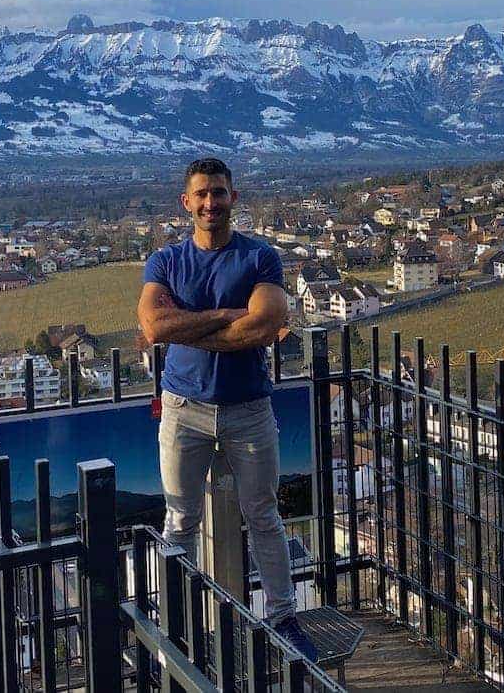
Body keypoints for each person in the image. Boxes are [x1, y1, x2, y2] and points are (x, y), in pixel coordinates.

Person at [137, 156, 318, 661]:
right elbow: (154, 328)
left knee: (264, 515)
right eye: (201, 194)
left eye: (219, 192)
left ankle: (284, 618)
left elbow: (265, 327)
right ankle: (179, 625)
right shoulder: (166, 261)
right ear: (186, 202)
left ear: (232, 198)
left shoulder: (260, 258)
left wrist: (189, 323)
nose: (210, 202)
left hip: (248, 409)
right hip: (183, 408)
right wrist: (225, 317)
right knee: (180, 520)